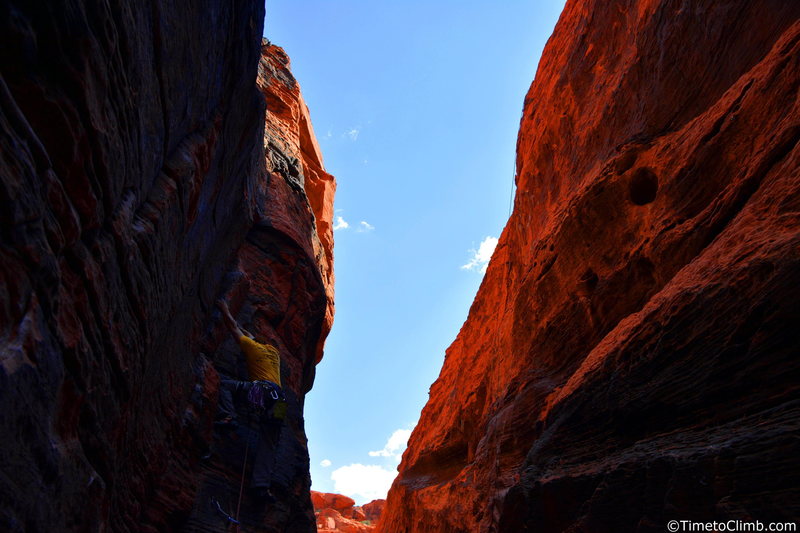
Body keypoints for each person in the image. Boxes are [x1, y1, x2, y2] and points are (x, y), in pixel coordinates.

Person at [216, 299, 286, 503]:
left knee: (226, 385)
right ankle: (261, 486)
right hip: (279, 401)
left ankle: (229, 417)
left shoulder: (250, 348)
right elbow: (249, 335)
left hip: (261, 392)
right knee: (270, 442)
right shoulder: (274, 354)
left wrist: (225, 308)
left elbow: (233, 328)